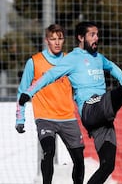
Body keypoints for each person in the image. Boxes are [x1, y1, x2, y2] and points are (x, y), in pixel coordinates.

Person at [18, 21, 122, 184]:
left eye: (97, 34)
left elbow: (111, 67)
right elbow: (49, 76)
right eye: (92, 35)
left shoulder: (98, 57)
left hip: (103, 118)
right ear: (81, 38)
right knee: (117, 94)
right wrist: (28, 93)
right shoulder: (73, 59)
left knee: (108, 165)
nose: (96, 38)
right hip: (90, 108)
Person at [15, 24, 85, 184]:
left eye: (60, 38)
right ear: (47, 41)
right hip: (45, 118)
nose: (57, 42)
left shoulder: (70, 61)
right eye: (53, 39)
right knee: (49, 151)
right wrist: (20, 119)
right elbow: (22, 92)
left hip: (68, 118)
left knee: (79, 158)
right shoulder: (34, 62)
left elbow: (80, 89)